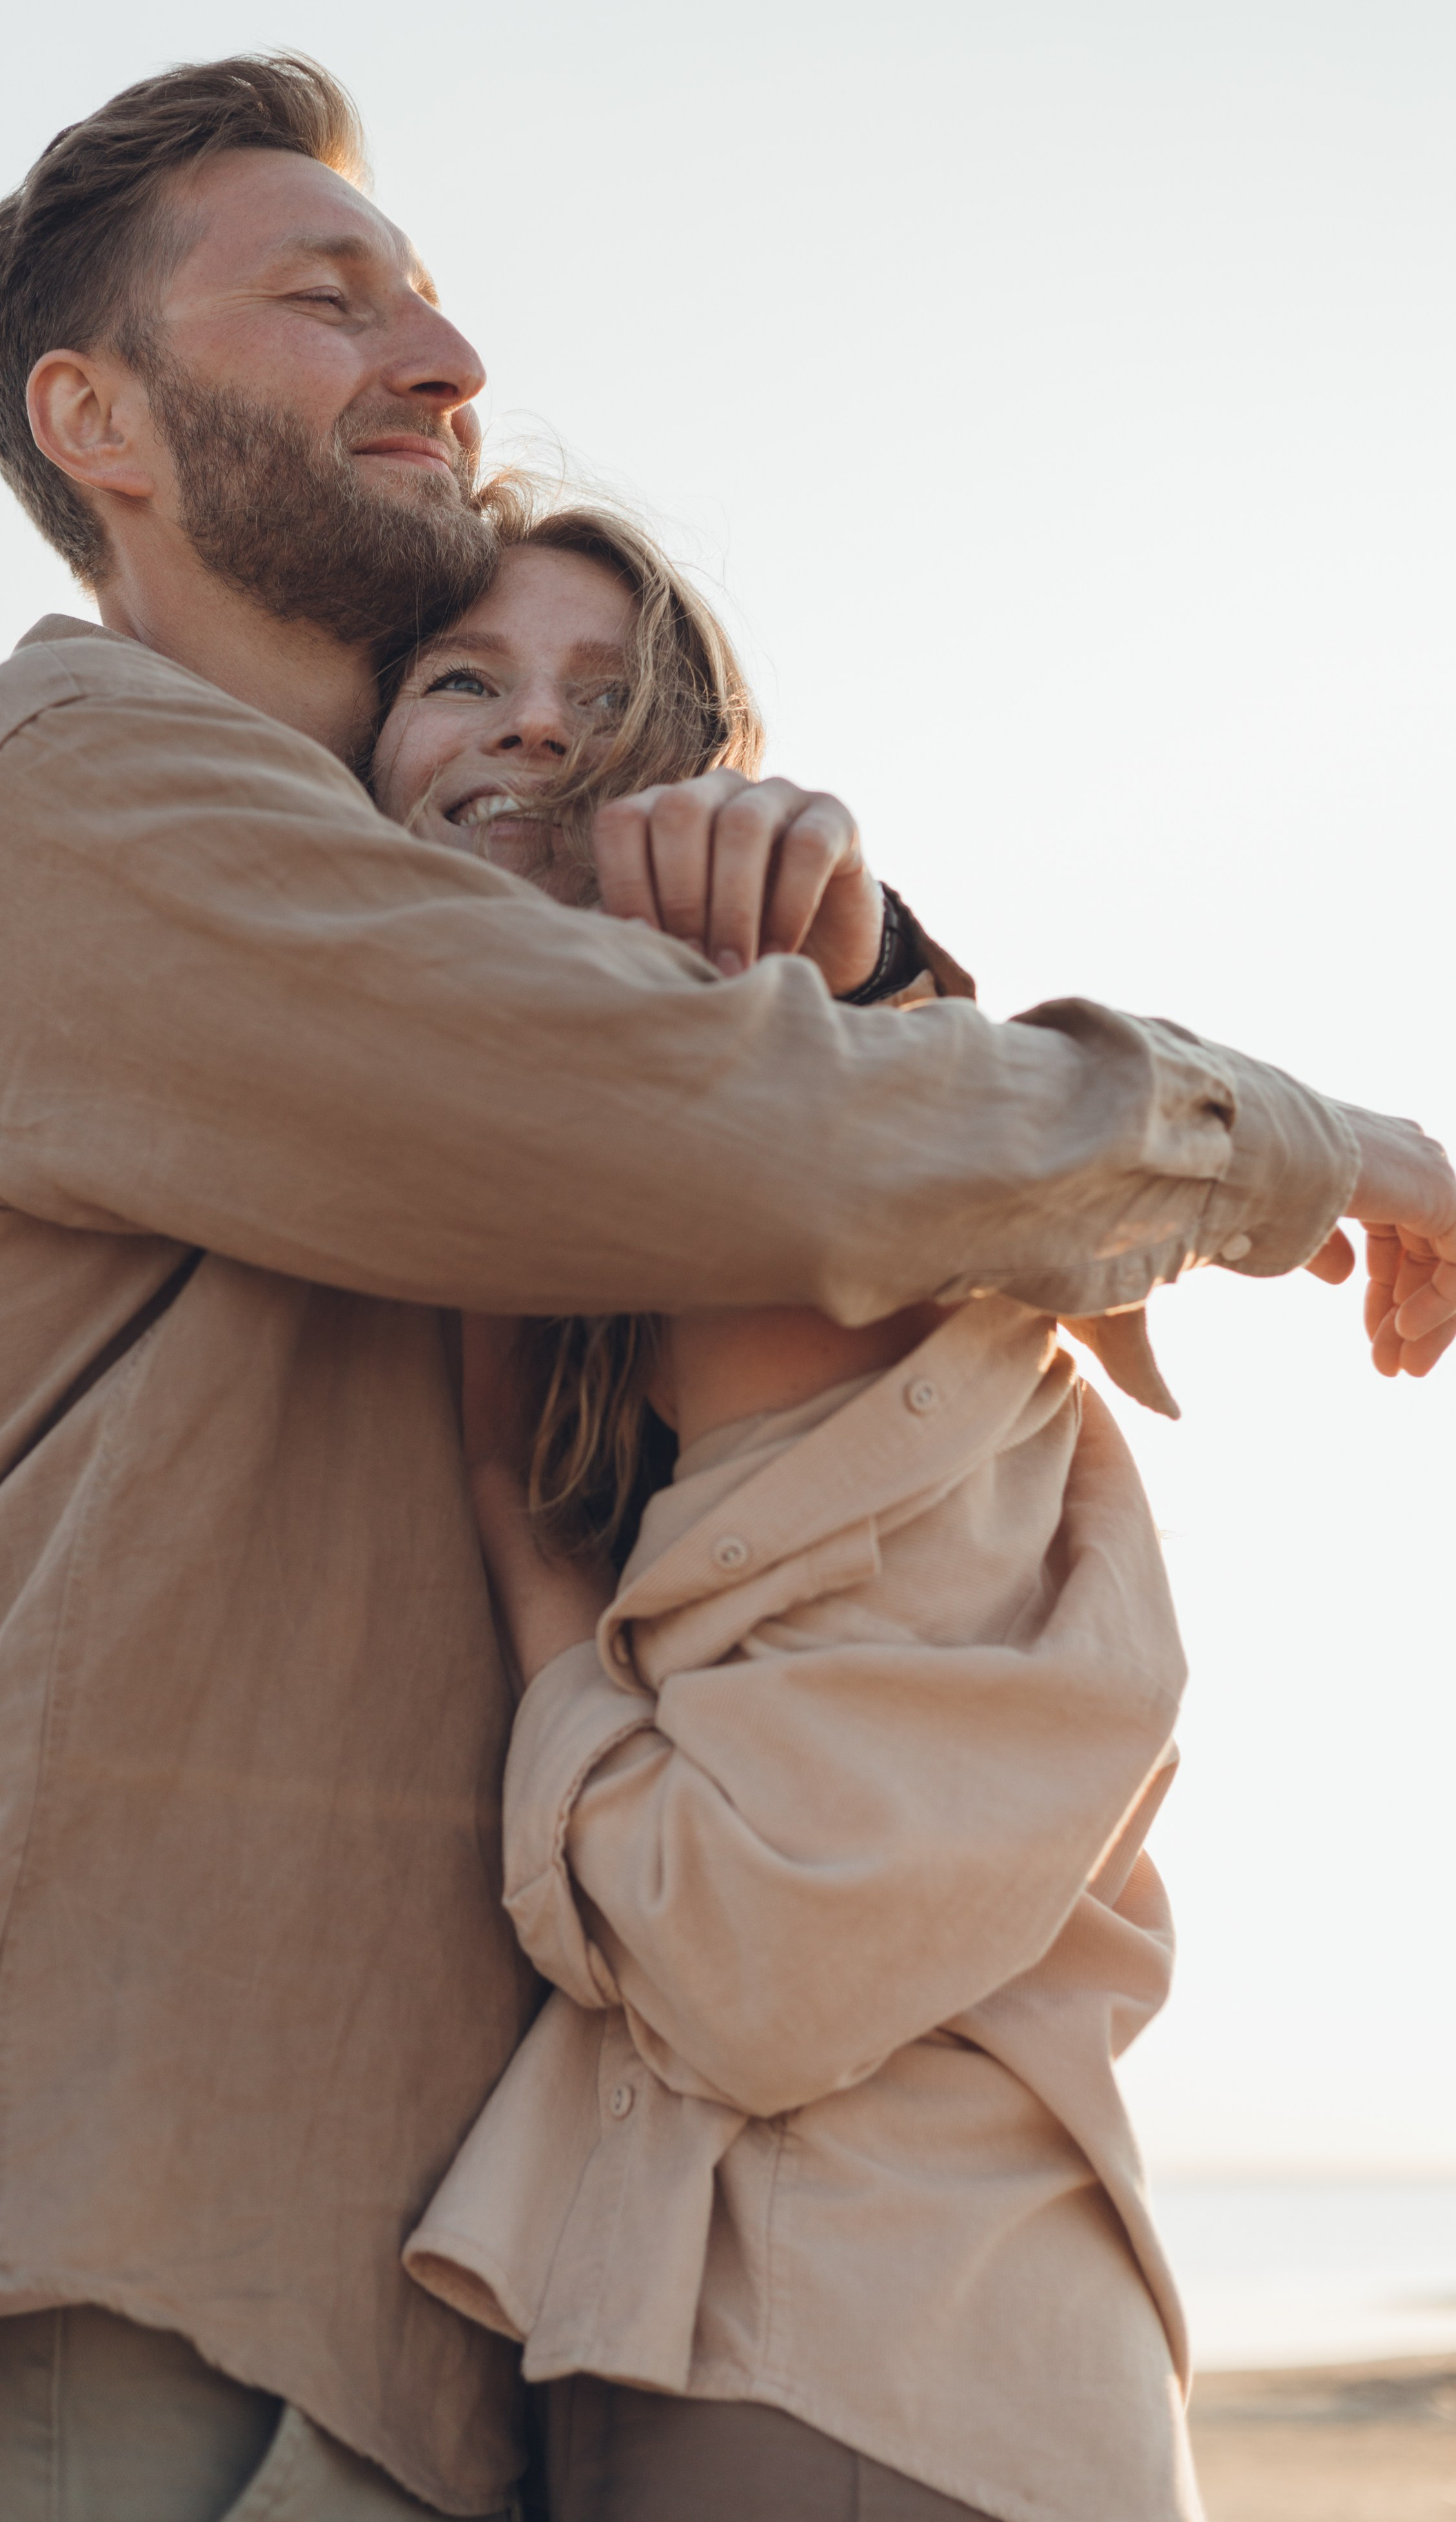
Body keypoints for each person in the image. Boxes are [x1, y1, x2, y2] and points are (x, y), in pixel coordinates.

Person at [0, 50, 1450, 2522]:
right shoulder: (65, 784)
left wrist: (806, 912)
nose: (443, 355)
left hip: (434, 2331)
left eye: (429, 294)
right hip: (110, 2274)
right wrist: (1297, 1143)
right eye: (328, 299)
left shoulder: (435, 943)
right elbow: (738, 1129)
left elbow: (722, 1175)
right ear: (94, 419)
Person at [368, 502, 1194, 2520]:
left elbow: (744, 1952)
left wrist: (530, 1560)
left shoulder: (779, 1221)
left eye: (605, 701)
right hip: (760, 2326)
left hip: (872, 2341)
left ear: (690, 799)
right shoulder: (582, 1220)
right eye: (466, 676)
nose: (532, 732)